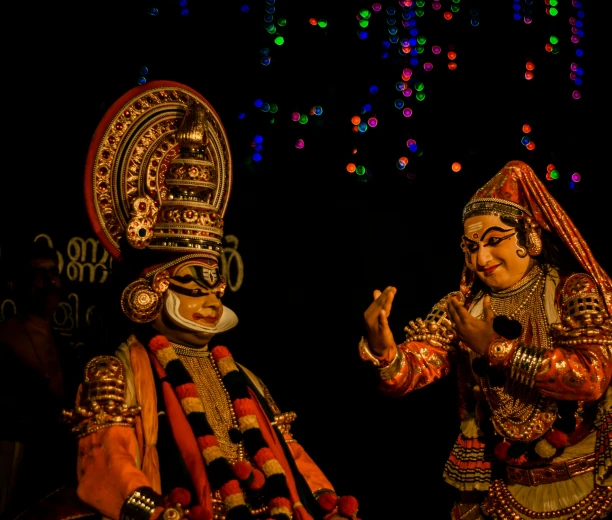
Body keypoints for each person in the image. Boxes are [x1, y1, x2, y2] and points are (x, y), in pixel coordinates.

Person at [360, 160, 612, 519]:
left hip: (597, 480)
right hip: (508, 487)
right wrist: (386, 352)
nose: (481, 257)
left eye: (494, 240)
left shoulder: (571, 291)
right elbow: (414, 368)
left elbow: (589, 378)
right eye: (471, 247)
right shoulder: (462, 306)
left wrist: (495, 347)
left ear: (528, 235)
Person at [61, 81, 360, 520]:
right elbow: (106, 465)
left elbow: (291, 454)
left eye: (215, 287)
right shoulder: (116, 371)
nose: (209, 299)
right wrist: (155, 512)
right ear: (151, 289)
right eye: (191, 284)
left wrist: (326, 502)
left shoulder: (243, 376)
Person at [0, 239, 78, 520]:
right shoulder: (4, 339)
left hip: (57, 482)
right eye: (38, 274)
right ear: (15, 284)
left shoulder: (67, 348)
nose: (49, 281)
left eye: (53, 272)